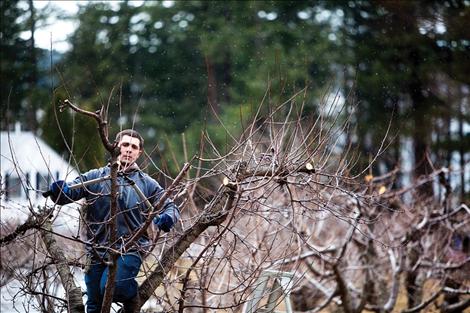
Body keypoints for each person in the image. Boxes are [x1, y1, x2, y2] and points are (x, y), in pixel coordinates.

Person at [46, 129, 179, 313]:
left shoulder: (147, 184)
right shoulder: (96, 176)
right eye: (125, 145)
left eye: (134, 147)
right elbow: (69, 192)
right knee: (95, 305)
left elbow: (171, 206)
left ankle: (133, 297)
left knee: (113, 288)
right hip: (96, 251)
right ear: (116, 146)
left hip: (130, 250)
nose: (128, 150)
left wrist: (167, 218)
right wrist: (59, 190)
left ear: (139, 153)